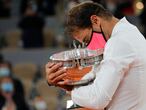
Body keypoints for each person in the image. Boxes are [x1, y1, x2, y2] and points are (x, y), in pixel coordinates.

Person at [45, 1, 146, 110]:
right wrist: (62, 77)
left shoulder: (119, 42)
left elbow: (98, 99)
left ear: (95, 20)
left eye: (87, 40)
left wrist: (71, 90)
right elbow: (95, 76)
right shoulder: (129, 32)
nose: (90, 47)